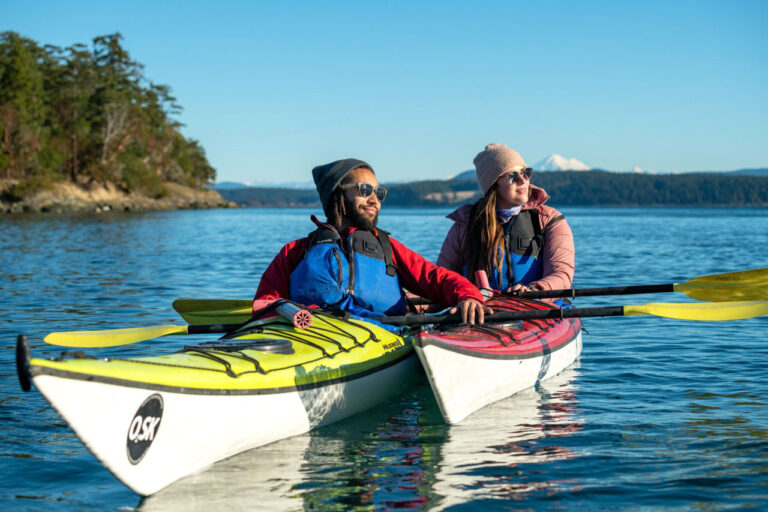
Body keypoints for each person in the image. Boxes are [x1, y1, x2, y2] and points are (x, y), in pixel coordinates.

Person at [254, 158, 487, 324]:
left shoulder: (387, 247)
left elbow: (436, 278)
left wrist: (468, 295)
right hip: (313, 336)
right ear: (337, 194)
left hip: (380, 339)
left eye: (379, 193)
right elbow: (265, 303)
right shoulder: (296, 251)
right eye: (365, 190)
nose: (375, 200)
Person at [437, 143, 574, 295]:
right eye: (512, 176)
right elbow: (441, 282)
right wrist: (412, 303)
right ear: (494, 185)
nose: (522, 180)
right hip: (484, 310)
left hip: (538, 308)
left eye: (525, 172)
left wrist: (534, 290)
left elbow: (561, 274)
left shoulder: (549, 220)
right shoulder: (464, 225)